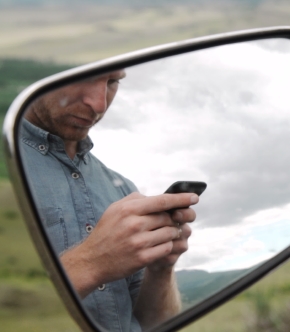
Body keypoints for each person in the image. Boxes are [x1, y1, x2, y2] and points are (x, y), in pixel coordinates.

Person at [18, 69, 196, 331]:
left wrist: (160, 268)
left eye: (113, 82)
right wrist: (91, 263)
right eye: (84, 76)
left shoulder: (123, 190)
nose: (99, 104)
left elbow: (153, 324)